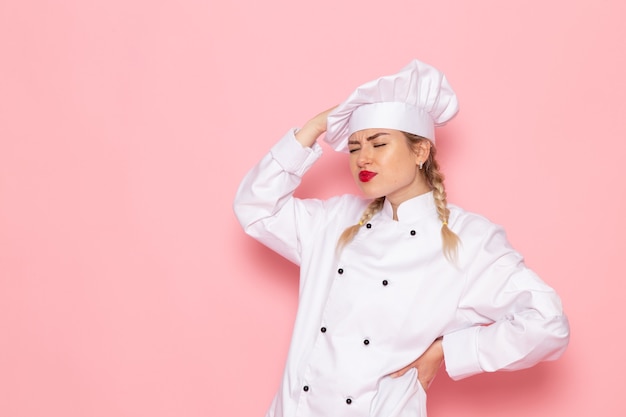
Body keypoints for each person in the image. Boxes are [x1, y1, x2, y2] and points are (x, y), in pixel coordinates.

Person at [233, 59, 570, 417]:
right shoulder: (332, 221)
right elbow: (256, 207)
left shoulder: (468, 240)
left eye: (378, 144)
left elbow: (547, 322)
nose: (363, 158)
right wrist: (314, 127)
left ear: (420, 151)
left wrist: (449, 351)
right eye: (354, 146)